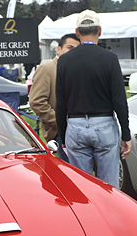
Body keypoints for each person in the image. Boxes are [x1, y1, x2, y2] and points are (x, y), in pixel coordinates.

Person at [54, 10, 131, 187]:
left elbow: (61, 103)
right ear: (100, 31)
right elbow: (119, 99)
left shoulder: (65, 61)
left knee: (83, 187)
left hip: (76, 125)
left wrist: (63, 135)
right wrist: (125, 134)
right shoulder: (110, 59)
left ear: (77, 32)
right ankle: (108, 214)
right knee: (109, 186)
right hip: (104, 124)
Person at [29, 32, 79, 146]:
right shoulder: (47, 69)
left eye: (77, 49)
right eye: (69, 47)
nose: (73, 52)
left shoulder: (77, 69)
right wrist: (60, 123)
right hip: (59, 132)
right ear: (58, 49)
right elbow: (37, 102)